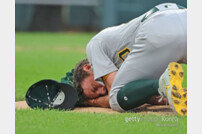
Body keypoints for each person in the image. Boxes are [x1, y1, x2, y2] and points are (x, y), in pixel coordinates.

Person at [73, 3, 187, 115]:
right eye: (99, 95)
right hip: (183, 15)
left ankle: (161, 85)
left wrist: (94, 102)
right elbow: (145, 92)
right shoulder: (135, 64)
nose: (102, 91)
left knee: (115, 98)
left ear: (87, 67)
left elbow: (115, 90)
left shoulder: (93, 46)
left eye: (94, 88)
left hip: (157, 28)